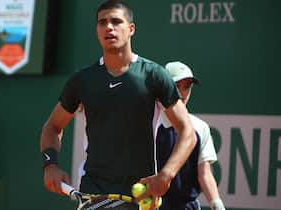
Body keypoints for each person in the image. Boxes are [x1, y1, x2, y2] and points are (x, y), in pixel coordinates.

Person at [40, 1, 196, 209]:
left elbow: (188, 132)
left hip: (139, 195)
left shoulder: (154, 75)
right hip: (94, 193)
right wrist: (50, 165)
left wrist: (167, 174)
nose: (109, 27)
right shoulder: (83, 80)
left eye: (116, 21)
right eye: (102, 22)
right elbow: (52, 127)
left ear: (131, 29)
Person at [156, 61, 226, 210]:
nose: (182, 93)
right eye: (176, 86)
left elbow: (204, 173)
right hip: (152, 205)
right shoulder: (151, 124)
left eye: (187, 86)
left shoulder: (201, 128)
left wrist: (216, 203)